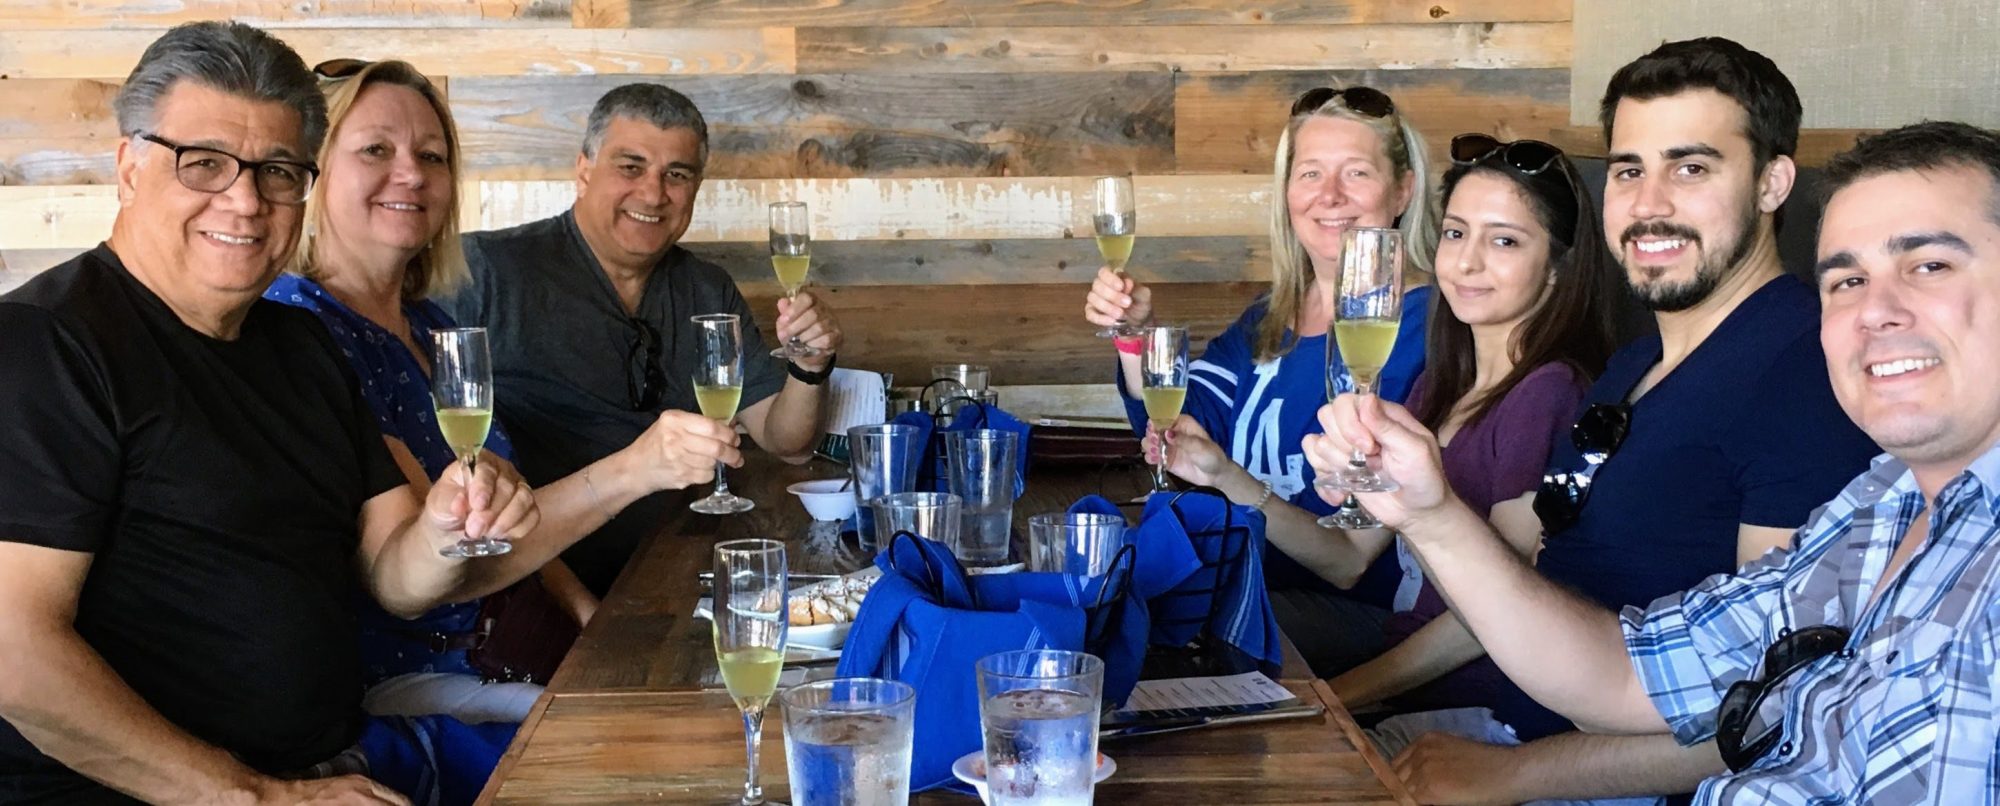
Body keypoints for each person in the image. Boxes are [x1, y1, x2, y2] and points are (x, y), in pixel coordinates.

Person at [1309, 119, 2000, 804]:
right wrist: (1428, 515)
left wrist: (1506, 769)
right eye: (1845, 280)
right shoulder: (1873, 509)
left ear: (1770, 184)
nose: (1876, 309)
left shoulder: (1771, 379)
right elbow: (1633, 676)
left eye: (1929, 265)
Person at [0, 22, 574, 805]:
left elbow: (392, 576)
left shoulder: (302, 343)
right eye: (203, 163)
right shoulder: (44, 344)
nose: (245, 200)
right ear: (130, 166)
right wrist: (260, 798)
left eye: (277, 170)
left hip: (329, 771)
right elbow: (15, 655)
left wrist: (445, 532)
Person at [266, 59, 740, 726]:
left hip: (509, 646)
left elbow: (517, 519)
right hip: (415, 679)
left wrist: (589, 624)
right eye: (376, 150)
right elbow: (436, 571)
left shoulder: (430, 327)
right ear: (314, 168)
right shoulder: (299, 330)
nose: (411, 173)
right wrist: (638, 468)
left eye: (431, 156)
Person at [1155, 133, 1616, 714]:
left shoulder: (1547, 393)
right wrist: (1223, 474)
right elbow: (1345, 557)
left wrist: (1338, 701)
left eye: (1504, 240)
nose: (1466, 261)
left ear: (1556, 269)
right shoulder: (1444, 385)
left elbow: (1487, 618)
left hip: (1471, 707)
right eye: (1455, 233)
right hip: (1403, 659)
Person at [1083, 85, 1440, 676]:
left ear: (1402, 190)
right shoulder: (1271, 317)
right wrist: (1132, 334)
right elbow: (1182, 424)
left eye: (1356, 173)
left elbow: (1351, 564)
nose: (1329, 196)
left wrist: (1231, 480)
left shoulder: (1427, 328)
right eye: (1309, 175)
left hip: (1345, 614)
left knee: (1133, 631)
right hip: (1243, 583)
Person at [437, 83, 845, 596]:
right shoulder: (483, 271)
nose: (654, 193)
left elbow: (786, 443)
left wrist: (811, 366)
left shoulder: (706, 287)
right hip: (538, 589)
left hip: (680, 573)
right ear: (583, 170)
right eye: (630, 167)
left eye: (677, 174)